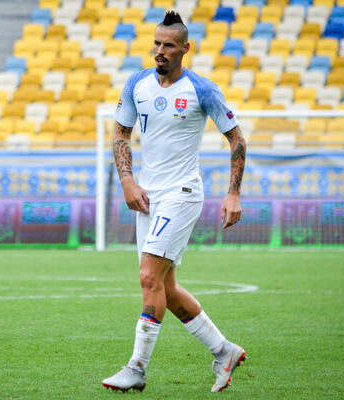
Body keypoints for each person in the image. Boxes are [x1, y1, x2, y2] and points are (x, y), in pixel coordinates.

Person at [101, 11, 247, 393]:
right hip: (147, 197)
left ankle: (137, 368)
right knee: (164, 288)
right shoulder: (136, 84)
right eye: (156, 43)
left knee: (148, 276)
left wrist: (233, 192)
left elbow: (237, 139)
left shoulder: (202, 90)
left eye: (168, 45)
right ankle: (224, 351)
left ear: (185, 48)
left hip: (181, 194)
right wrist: (127, 181)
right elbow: (120, 134)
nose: (159, 51)